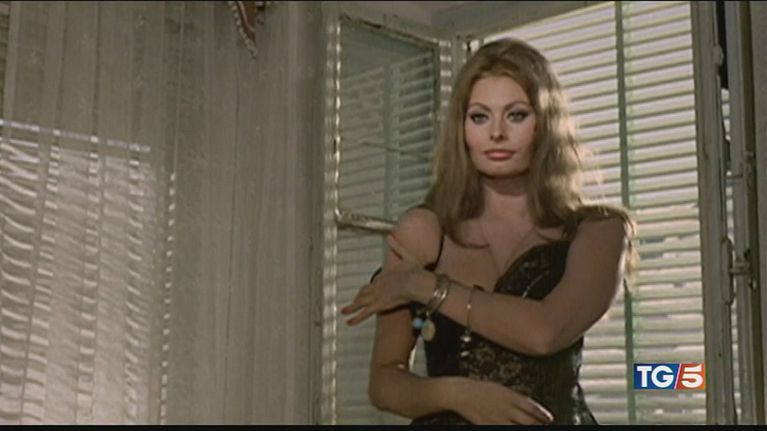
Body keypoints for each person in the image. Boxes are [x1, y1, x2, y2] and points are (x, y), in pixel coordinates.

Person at [340, 37, 636, 425]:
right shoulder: (425, 231)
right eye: (480, 117)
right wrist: (457, 394)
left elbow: (545, 331)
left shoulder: (599, 231)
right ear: (461, 128)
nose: (496, 133)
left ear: (545, 124)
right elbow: (385, 382)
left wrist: (423, 286)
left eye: (516, 115)